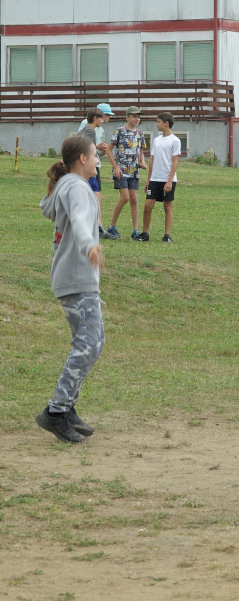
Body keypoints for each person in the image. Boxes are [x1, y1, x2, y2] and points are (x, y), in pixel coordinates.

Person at [36, 134, 105, 443]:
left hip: (74, 276)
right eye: (94, 155)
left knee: (91, 342)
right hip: (76, 277)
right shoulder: (76, 187)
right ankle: (56, 412)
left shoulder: (68, 184)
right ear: (82, 159)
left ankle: (66, 407)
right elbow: (78, 220)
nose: (98, 161)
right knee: (89, 344)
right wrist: (89, 246)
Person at [137, 112, 181, 243]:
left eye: (158, 122)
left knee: (167, 207)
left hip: (167, 180)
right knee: (148, 206)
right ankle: (145, 234)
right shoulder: (156, 140)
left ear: (166, 123)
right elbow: (152, 160)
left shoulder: (175, 141)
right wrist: (148, 180)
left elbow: (175, 162)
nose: (156, 124)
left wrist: (169, 181)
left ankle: (166, 236)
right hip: (154, 179)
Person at [105, 106, 147, 241]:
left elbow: (141, 150)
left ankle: (135, 231)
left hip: (134, 171)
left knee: (134, 199)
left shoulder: (140, 133)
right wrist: (115, 167)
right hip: (121, 171)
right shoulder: (120, 131)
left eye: (138, 116)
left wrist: (143, 162)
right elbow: (109, 150)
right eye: (134, 116)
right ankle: (111, 226)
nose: (137, 119)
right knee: (125, 198)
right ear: (127, 117)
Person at [77, 107, 109, 238]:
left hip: (85, 168)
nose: (103, 121)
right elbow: (84, 147)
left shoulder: (86, 130)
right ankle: (97, 228)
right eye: (101, 118)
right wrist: (97, 146)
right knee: (96, 197)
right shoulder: (90, 131)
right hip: (88, 169)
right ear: (95, 118)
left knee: (92, 197)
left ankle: (95, 226)